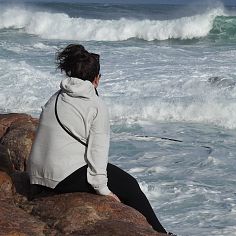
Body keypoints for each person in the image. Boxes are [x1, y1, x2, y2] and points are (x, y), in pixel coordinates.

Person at [27, 44, 169, 234]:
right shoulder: (95, 105)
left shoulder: (56, 96)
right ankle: (161, 233)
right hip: (60, 179)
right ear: (97, 79)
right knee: (129, 185)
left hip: (36, 175)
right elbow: (97, 151)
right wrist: (104, 190)